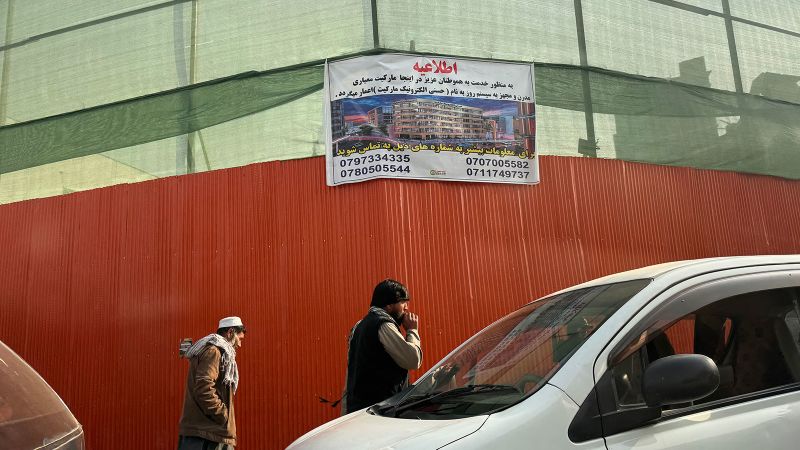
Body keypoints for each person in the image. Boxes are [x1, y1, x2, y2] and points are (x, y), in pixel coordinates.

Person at [342, 279, 422, 414]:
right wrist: (412, 330)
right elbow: (413, 360)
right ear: (389, 305)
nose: (406, 307)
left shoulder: (359, 326)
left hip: (359, 411)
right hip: (381, 412)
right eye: (403, 302)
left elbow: (351, 374)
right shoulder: (384, 325)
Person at [177, 316, 246, 450]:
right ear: (230, 332)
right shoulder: (213, 351)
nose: (239, 344)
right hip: (209, 436)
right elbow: (204, 388)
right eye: (239, 338)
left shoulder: (210, 350)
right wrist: (222, 415)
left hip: (204, 433)